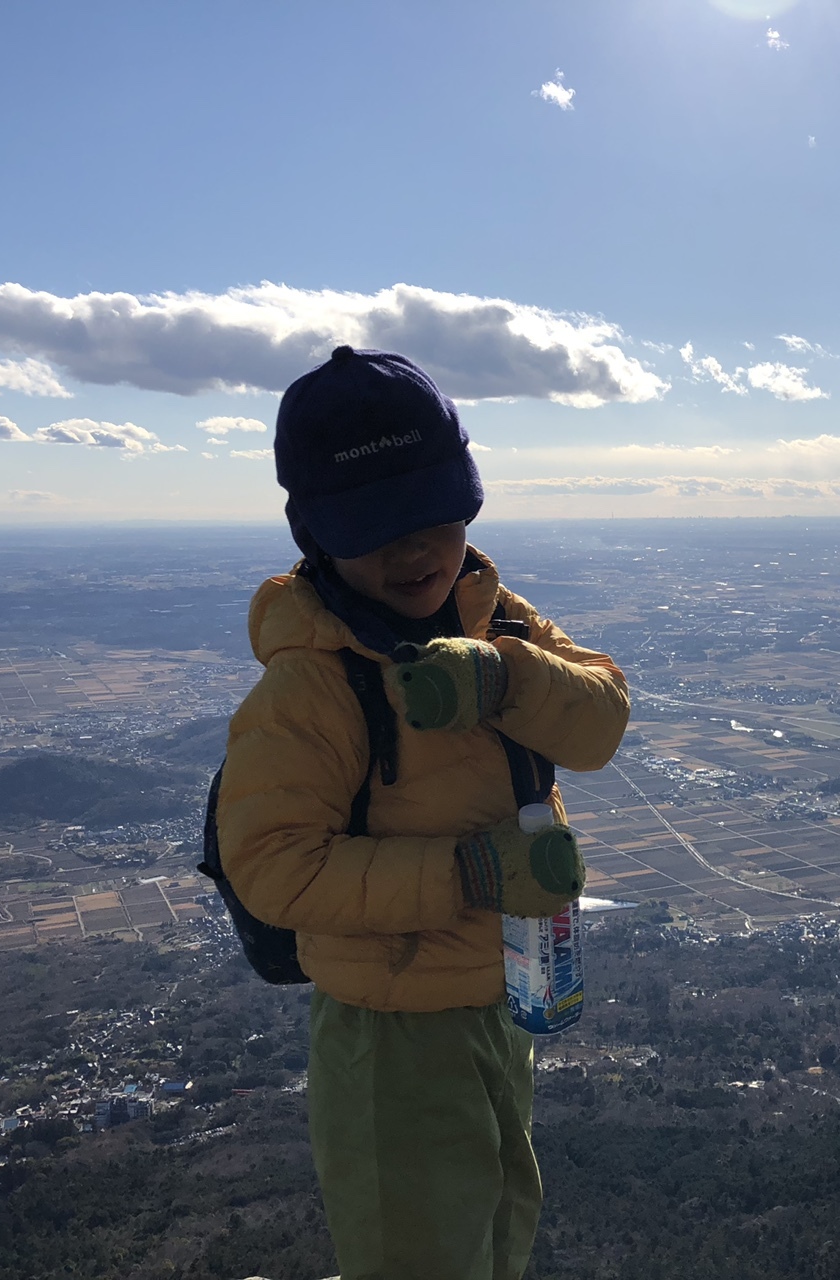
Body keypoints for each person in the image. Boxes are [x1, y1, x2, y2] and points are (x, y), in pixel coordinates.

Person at [216, 346, 630, 1280]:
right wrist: (473, 874)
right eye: (378, 527)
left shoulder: (496, 619)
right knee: (419, 1255)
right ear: (318, 536)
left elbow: (601, 720)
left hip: (497, 996)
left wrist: (507, 679)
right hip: (386, 1029)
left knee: (497, 1227)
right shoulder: (312, 687)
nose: (416, 552)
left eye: (433, 519)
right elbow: (274, 865)